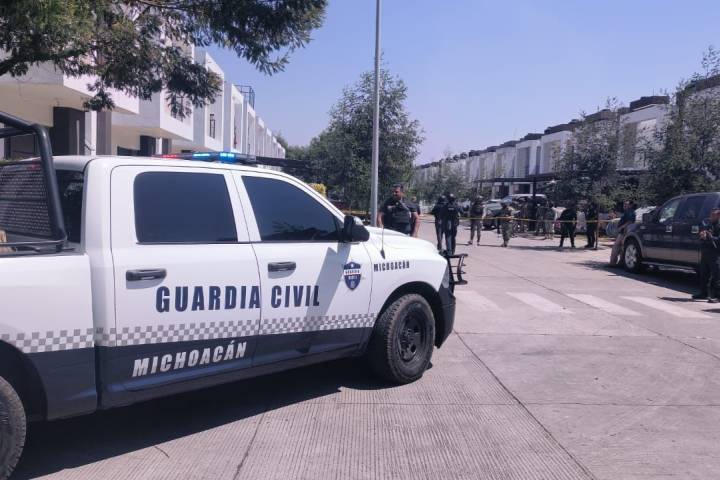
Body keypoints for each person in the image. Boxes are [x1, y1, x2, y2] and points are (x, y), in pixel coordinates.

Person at [694, 208, 720, 302]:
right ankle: (703, 293)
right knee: (704, 274)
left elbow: (718, 239)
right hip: (706, 252)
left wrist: (710, 237)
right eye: (710, 214)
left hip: (715, 253)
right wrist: (702, 235)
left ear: (718, 216)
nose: (711, 217)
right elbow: (703, 236)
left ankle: (718, 296)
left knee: (717, 275)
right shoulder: (709, 224)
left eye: (713, 215)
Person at [609, 200, 636, 266]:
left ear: (630, 205)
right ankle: (621, 262)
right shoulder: (627, 212)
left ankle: (612, 263)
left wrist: (621, 227)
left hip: (624, 232)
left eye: (626, 204)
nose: (624, 205)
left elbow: (629, 222)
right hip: (624, 231)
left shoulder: (630, 212)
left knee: (616, 247)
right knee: (622, 247)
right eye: (624, 204)